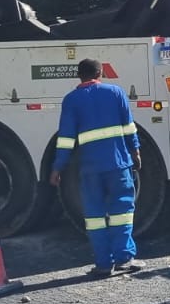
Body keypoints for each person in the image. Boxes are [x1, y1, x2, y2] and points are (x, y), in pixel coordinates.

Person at [49, 58, 145, 277]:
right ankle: (124, 258)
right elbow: (129, 126)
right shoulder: (116, 93)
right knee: (122, 212)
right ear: (100, 73)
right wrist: (135, 151)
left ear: (78, 75)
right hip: (118, 164)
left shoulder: (71, 100)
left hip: (90, 169)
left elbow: (66, 138)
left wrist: (58, 167)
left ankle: (103, 264)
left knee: (94, 216)